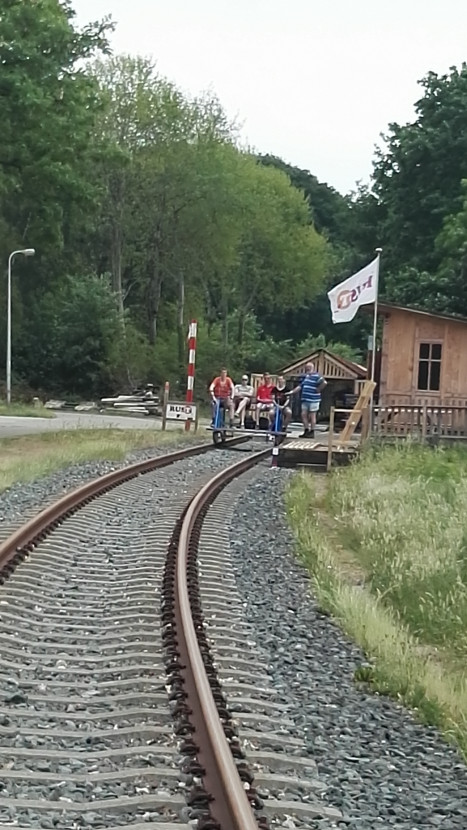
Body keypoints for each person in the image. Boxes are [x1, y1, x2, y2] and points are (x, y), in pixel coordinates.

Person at [291, 362, 327, 438]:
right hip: (305, 399)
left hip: (313, 399)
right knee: (303, 414)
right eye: (306, 367)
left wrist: (319, 389)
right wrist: (291, 392)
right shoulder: (306, 377)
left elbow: (324, 382)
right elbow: (300, 386)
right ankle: (306, 430)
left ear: (312, 368)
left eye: (308, 367)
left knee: (312, 416)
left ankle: (312, 431)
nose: (307, 369)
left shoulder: (317, 376)